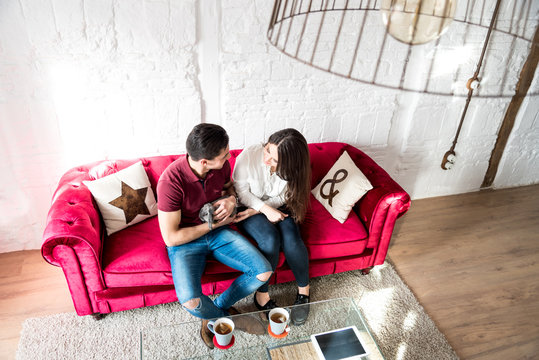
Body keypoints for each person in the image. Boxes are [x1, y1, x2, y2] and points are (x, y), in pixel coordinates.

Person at [157, 123, 272, 349]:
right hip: (186, 242)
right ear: (204, 162)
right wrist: (213, 225)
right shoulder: (170, 182)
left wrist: (231, 200)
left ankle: (215, 311)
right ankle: (227, 318)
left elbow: (230, 187)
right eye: (224, 155)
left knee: (263, 271)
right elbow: (171, 238)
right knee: (190, 301)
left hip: (219, 232)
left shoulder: (222, 167)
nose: (229, 156)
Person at [232, 128, 312, 325]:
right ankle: (262, 296)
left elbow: (286, 196)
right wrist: (261, 209)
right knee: (270, 238)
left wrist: (264, 209)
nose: (266, 159)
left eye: (275, 160)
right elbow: (241, 192)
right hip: (248, 206)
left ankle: (304, 292)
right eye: (268, 150)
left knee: (292, 238)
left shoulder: (295, 170)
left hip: (276, 206)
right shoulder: (249, 155)